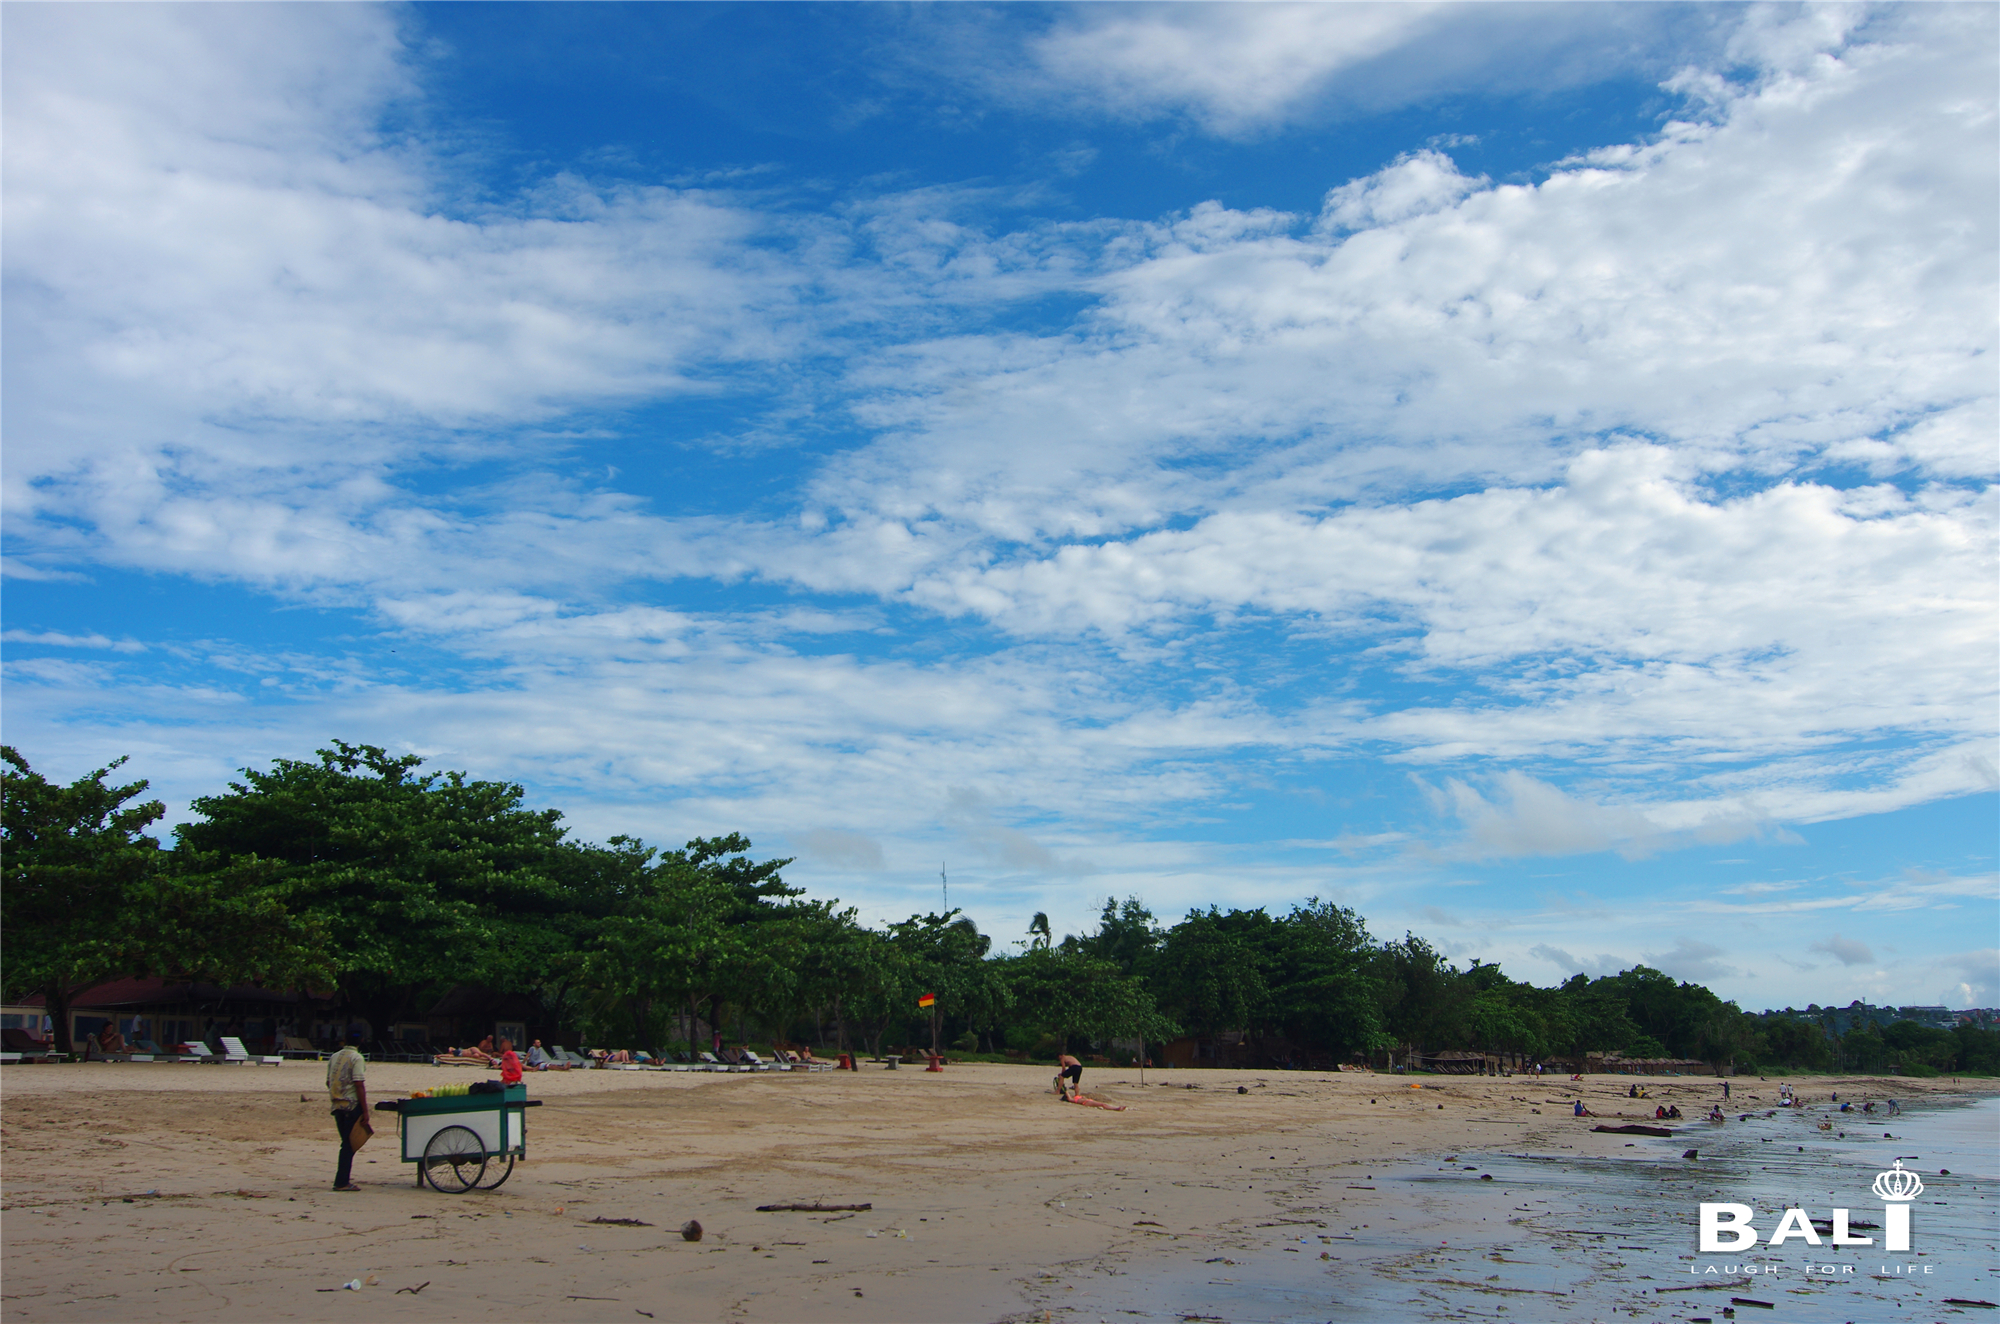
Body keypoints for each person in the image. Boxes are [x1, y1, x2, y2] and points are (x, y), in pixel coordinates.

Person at [327, 1031, 369, 1191]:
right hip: (351, 1105)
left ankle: (342, 1180)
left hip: (337, 1105)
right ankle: (341, 1181)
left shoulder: (334, 1056)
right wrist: (365, 1111)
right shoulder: (356, 1058)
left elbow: (328, 1081)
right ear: (362, 1040)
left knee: (346, 1142)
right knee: (348, 1145)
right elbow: (359, 1084)